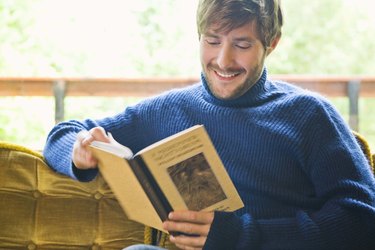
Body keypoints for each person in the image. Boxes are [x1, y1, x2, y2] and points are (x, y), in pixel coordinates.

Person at [43, 0, 375, 249]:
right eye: (212, 41)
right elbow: (63, 133)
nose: (223, 60)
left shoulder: (309, 115)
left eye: (242, 45)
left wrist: (242, 235)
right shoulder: (167, 110)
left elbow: (363, 219)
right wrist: (78, 151)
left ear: (271, 44)